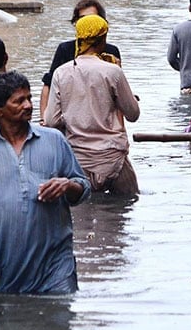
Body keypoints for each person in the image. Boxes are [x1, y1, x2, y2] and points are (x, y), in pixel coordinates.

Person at [0, 71, 91, 294]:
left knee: (57, 319)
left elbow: (83, 188)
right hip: (5, 269)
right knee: (7, 322)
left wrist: (66, 185)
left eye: (29, 98)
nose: (29, 105)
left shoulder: (54, 140)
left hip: (56, 268)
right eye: (19, 101)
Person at [45, 15, 141, 196]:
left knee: (81, 216)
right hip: (113, 158)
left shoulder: (61, 73)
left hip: (78, 159)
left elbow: (51, 121)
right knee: (125, 208)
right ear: (103, 39)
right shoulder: (113, 71)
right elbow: (133, 114)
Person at [39, 0, 121, 123]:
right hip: (69, 119)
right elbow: (49, 85)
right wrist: (43, 119)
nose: (87, 22)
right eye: (82, 19)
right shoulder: (65, 49)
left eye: (92, 18)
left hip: (102, 120)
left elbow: (118, 94)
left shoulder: (111, 52)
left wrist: (120, 129)